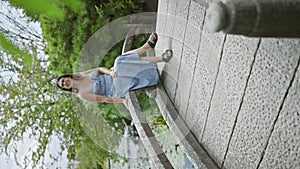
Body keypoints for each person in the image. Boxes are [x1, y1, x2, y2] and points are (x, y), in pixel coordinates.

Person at [56, 33, 173, 107]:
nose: (64, 82)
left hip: (113, 74)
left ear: (66, 77)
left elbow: (99, 69)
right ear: (67, 88)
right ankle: (149, 49)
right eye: (63, 85)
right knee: (121, 62)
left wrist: (110, 72)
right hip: (114, 89)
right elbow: (104, 99)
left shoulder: (81, 75)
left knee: (123, 62)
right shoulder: (82, 94)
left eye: (63, 80)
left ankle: (160, 56)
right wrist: (121, 101)